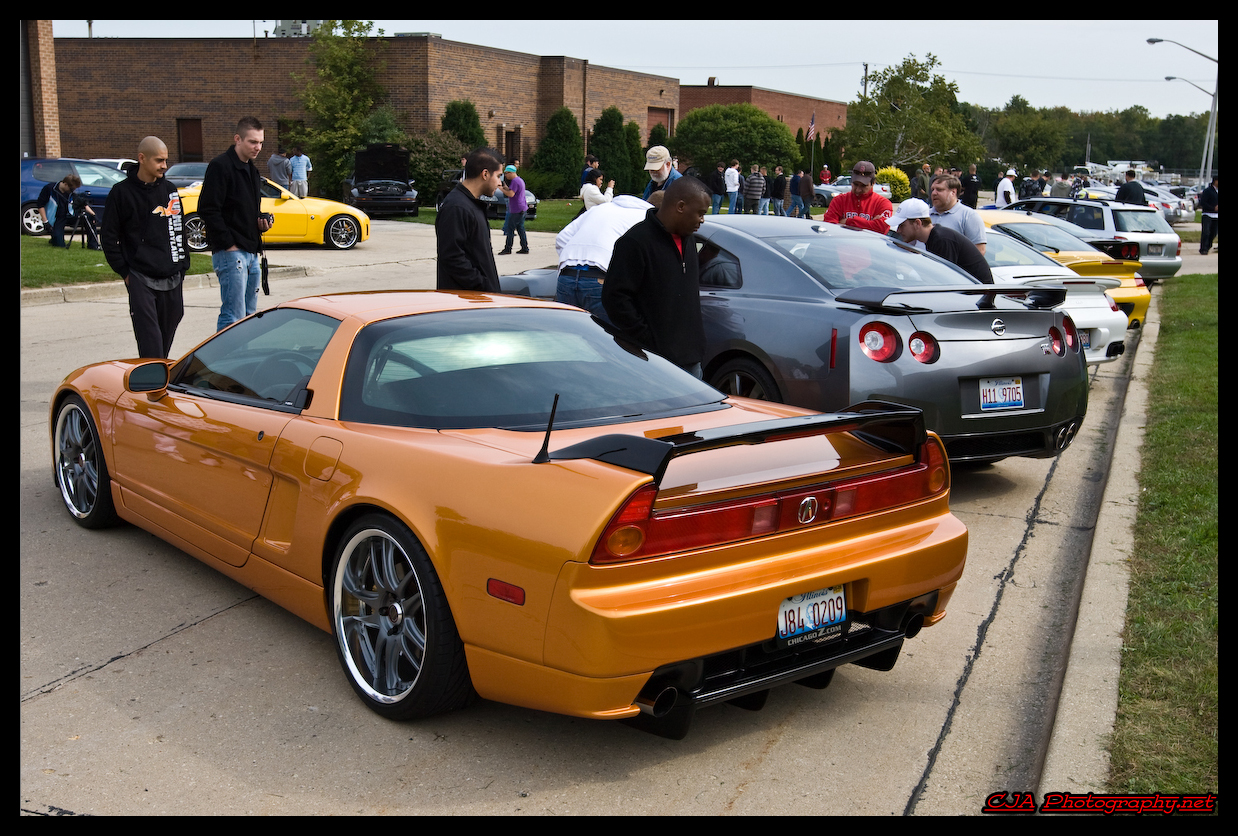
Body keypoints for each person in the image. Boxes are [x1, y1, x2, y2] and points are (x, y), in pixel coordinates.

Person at [602, 176, 711, 377]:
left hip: (690, 359)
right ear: (680, 206)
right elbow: (615, 298)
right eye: (700, 213)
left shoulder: (689, 241)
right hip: (654, 362)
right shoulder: (636, 242)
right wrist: (648, 340)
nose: (702, 220)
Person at [100, 136, 190, 358]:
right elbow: (109, 236)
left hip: (172, 275)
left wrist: (182, 265)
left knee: (166, 334)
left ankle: (156, 376)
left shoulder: (169, 189)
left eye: (166, 160)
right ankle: (151, 384)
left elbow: (177, 228)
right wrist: (125, 271)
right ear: (142, 158)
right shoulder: (121, 193)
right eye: (159, 160)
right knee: (150, 340)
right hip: (140, 276)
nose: (164, 166)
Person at [198, 116, 272, 331]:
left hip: (251, 251)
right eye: (252, 142)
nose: (257, 147)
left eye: (260, 142)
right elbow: (208, 208)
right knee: (233, 315)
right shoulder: (220, 166)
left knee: (249, 316)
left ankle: (243, 362)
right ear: (237, 139)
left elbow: (245, 209)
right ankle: (224, 362)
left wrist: (260, 221)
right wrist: (228, 243)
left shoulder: (252, 170)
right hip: (231, 253)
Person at [554, 193, 656, 323]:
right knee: (606, 337)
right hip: (599, 278)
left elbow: (562, 238)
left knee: (569, 335)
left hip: (566, 275)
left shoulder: (599, 209)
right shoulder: (646, 217)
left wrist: (573, 258)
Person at [436, 147, 504, 291]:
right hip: (466, 303)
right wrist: (482, 285)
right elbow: (452, 258)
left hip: (478, 300)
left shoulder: (471, 204)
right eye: (498, 176)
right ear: (485, 174)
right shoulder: (456, 207)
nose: (500, 183)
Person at [887, 198, 993, 284]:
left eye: (902, 225)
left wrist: (910, 274)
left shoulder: (941, 240)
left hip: (978, 299)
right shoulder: (935, 238)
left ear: (917, 223)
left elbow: (943, 282)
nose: (898, 230)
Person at [822, 161, 893, 232]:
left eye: (863, 186)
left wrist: (848, 222)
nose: (858, 190)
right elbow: (829, 227)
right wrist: (869, 224)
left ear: (873, 183)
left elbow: (882, 228)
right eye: (855, 184)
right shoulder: (839, 200)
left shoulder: (883, 203)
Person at [929, 174, 986, 254]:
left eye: (939, 189)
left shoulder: (969, 216)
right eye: (932, 189)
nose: (934, 193)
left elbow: (979, 251)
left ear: (953, 192)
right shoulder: (925, 215)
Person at [37, 173, 83, 248]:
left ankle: (93, 244)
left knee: (89, 218)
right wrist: (45, 221)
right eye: (71, 189)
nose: (72, 191)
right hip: (57, 218)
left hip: (69, 215)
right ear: (65, 184)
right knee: (59, 245)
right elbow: (40, 205)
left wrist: (93, 215)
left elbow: (82, 203)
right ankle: (55, 238)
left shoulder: (71, 193)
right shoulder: (49, 189)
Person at [497, 164, 529, 254]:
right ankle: (525, 247)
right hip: (522, 208)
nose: (506, 175)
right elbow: (512, 190)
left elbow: (511, 194)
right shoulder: (519, 180)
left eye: (506, 173)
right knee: (520, 229)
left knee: (510, 229)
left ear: (511, 173)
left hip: (517, 209)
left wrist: (501, 189)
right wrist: (505, 187)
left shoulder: (515, 181)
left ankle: (508, 248)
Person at [1199, 174, 1218, 255]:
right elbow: (1202, 202)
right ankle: (1203, 248)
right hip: (1207, 214)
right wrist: (1212, 208)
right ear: (1215, 181)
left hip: (1216, 216)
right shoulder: (1208, 191)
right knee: (1206, 232)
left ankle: (1208, 245)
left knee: (1213, 233)